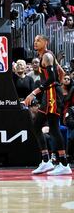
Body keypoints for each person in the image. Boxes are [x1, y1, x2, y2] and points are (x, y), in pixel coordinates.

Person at [24, 35, 71, 175]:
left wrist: (33, 93)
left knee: (54, 128)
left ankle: (63, 163)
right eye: (35, 40)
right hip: (50, 94)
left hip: (51, 95)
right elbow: (61, 73)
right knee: (37, 125)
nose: (35, 42)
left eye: (38, 40)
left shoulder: (47, 57)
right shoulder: (48, 56)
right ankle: (46, 161)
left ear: (46, 42)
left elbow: (52, 78)